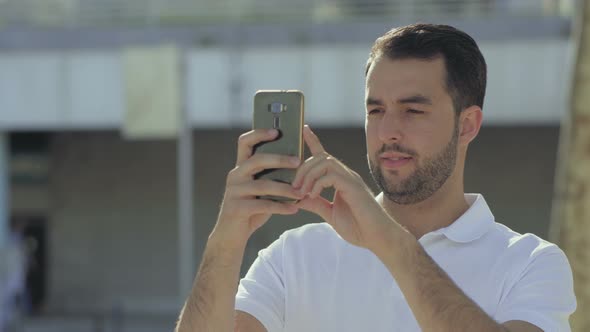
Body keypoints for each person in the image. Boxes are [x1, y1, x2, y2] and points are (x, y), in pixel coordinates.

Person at [175, 23, 576, 332]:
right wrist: (225, 241)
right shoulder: (293, 256)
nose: (388, 132)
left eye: (412, 110)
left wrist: (386, 239)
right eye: (375, 111)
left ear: (467, 125)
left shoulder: (530, 263)